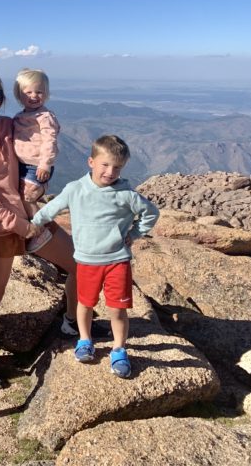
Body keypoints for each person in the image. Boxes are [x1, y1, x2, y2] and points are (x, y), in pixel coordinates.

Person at [0, 72, 82, 389]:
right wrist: (21, 226)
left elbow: (40, 137)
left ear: (2, 99)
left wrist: (46, 167)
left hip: (30, 215)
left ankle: (71, 323)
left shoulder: (8, 126)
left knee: (79, 263)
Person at [32, 135, 159, 378]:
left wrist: (134, 233)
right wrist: (34, 224)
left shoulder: (126, 194)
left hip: (116, 261)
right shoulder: (75, 189)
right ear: (91, 161)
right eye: (105, 164)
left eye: (117, 167)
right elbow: (51, 209)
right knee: (85, 304)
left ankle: (119, 349)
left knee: (117, 310)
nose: (110, 172)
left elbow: (151, 213)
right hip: (86, 261)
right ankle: (84, 340)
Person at [12, 68, 60, 253]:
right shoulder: (20, 116)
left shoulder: (45, 117)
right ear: (19, 94)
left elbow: (50, 141)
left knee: (27, 197)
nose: (34, 96)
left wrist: (45, 163)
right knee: (17, 197)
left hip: (36, 166)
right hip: (23, 166)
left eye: (39, 92)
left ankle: (40, 229)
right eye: (28, 92)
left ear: (46, 94)